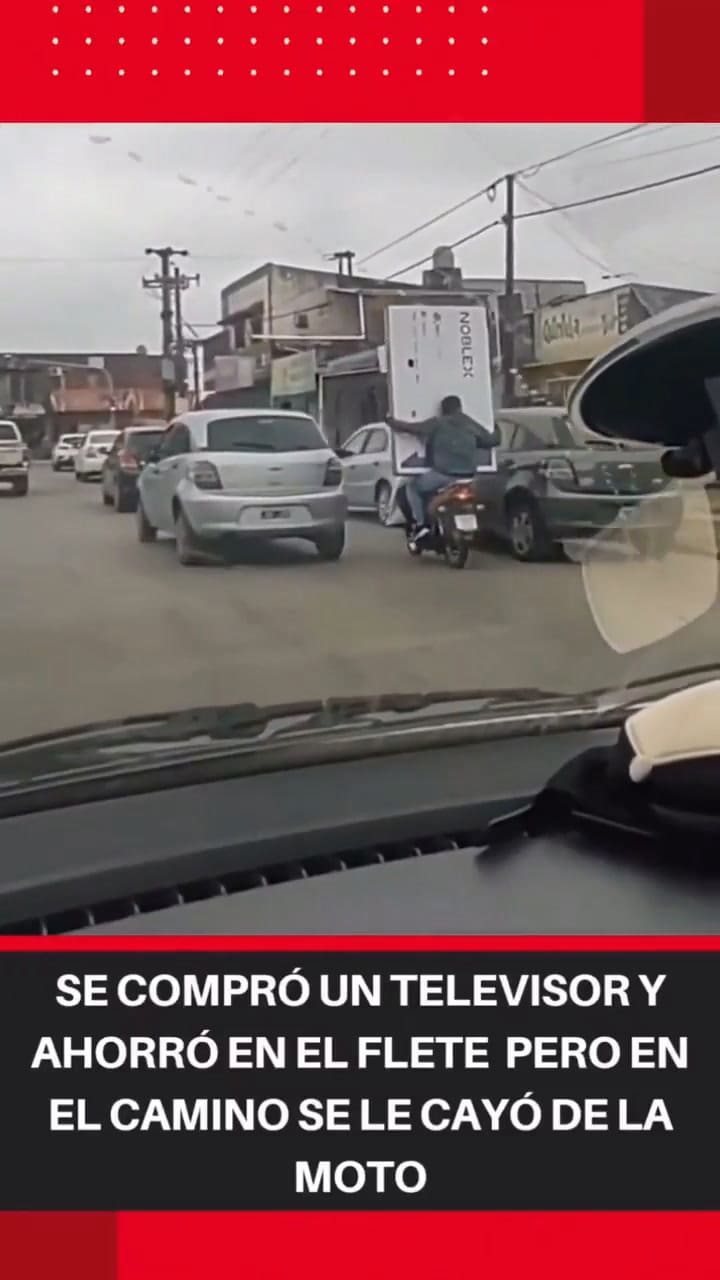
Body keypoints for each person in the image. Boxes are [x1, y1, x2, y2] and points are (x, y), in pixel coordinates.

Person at [386, 394, 500, 538]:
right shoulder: (471, 423)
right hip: (469, 476)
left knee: (412, 487)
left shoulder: (438, 423)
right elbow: (492, 440)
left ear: (443, 410)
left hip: (443, 475)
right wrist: (496, 426)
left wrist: (391, 422)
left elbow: (412, 428)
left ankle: (422, 525)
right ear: (460, 408)